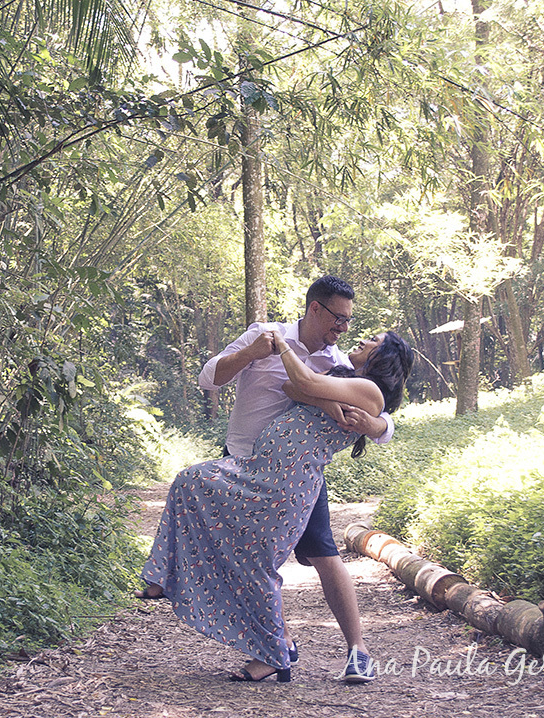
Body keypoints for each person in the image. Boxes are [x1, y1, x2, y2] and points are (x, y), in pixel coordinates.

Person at [135, 330, 413, 683]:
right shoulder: (343, 370)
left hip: (287, 483)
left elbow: (309, 382)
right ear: (318, 310)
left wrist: (282, 347)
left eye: (373, 339)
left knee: (269, 562)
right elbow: (293, 388)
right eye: (340, 319)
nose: (354, 334)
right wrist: (328, 401)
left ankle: (328, 652)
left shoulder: (368, 388)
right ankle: (166, 578)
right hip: (259, 468)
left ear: (385, 356)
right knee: (191, 485)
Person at [195, 275, 390, 682]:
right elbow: (209, 377)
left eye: (349, 321)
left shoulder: (335, 362)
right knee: (246, 559)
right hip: (242, 462)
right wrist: (250, 352)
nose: (344, 328)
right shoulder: (265, 334)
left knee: (324, 554)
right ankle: (277, 644)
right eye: (338, 317)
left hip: (299, 476)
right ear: (314, 308)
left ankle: (359, 651)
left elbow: (380, 406)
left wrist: (375, 425)